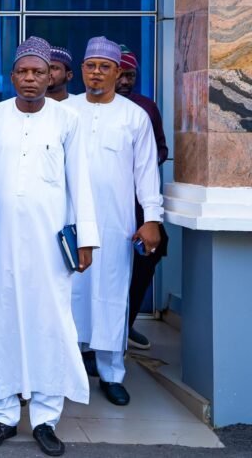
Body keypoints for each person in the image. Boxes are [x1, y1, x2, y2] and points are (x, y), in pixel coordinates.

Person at [0, 37, 99, 457]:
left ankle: (46, 418)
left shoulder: (67, 119)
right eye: (23, 72)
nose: (30, 79)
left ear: (51, 76)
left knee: (51, 323)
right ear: (11, 78)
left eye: (38, 72)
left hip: (50, 244)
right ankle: (4, 414)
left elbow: (80, 179)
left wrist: (86, 239)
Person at [67, 38, 163, 407]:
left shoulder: (133, 116)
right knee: (70, 295)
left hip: (115, 224)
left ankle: (111, 374)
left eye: (104, 67)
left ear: (118, 72)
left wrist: (152, 218)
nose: (96, 72)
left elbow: (146, 174)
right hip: (71, 222)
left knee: (111, 296)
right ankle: (68, 371)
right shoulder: (66, 110)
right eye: (90, 65)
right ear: (82, 71)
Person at [116, 46, 169, 351]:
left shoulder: (145, 108)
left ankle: (126, 323)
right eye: (120, 73)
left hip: (139, 205)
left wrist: (143, 160)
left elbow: (160, 148)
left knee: (145, 260)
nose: (124, 80)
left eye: (130, 75)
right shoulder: (82, 107)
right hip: (102, 205)